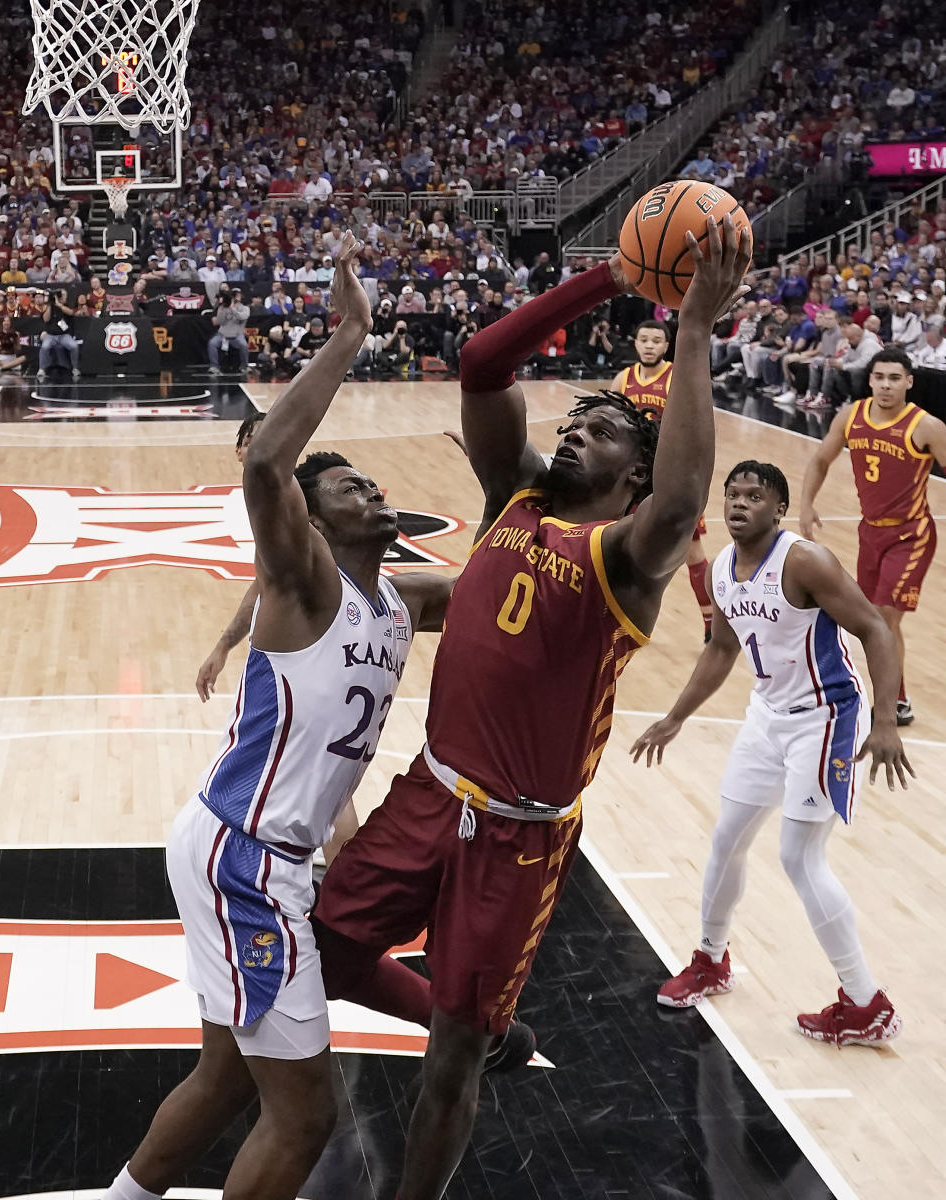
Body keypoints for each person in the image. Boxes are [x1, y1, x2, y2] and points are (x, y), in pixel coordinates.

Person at [311, 214, 752, 1200]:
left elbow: (682, 504)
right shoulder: (511, 496)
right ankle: (474, 1015)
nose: (570, 435)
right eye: (569, 424)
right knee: (325, 954)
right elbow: (479, 363)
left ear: (632, 475)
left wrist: (691, 333)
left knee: (451, 1067)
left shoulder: (630, 560)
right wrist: (611, 274)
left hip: (518, 840)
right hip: (428, 793)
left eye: (594, 433)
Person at [102, 235, 453, 1200]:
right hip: (246, 857)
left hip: (259, 851)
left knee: (224, 1078)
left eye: (374, 484)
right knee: (305, 1115)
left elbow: (526, 590)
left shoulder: (408, 597)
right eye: (348, 489)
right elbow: (266, 462)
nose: (373, 492)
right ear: (314, 523)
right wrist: (350, 334)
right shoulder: (305, 583)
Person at [632, 460, 911, 1046]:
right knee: (727, 838)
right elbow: (721, 648)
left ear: (777, 508)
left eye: (753, 496)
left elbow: (875, 630)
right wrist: (675, 716)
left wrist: (885, 721)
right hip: (767, 715)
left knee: (799, 856)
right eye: (732, 494)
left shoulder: (805, 560)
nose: (738, 504)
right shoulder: (721, 571)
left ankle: (866, 1004)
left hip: (827, 715)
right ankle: (711, 960)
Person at [194, 411, 358, 867]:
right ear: (240, 449)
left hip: (316, 641)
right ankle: (329, 875)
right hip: (319, 637)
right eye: (255, 437)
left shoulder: (291, 500)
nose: (263, 445)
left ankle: (330, 881)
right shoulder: (279, 505)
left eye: (273, 435)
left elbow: (278, 582)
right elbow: (265, 583)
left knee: (318, 769)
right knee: (318, 768)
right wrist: (225, 644)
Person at [800, 347, 946, 724]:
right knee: (867, 619)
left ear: (909, 382)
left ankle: (896, 702)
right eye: (880, 377)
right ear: (870, 380)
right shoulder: (852, 416)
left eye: (895, 378)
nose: (886, 385)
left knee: (884, 618)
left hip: (912, 536)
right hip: (870, 533)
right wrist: (806, 504)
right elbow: (820, 459)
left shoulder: (927, 426)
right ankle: (888, 692)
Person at [613, 320, 713, 641]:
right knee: (620, 545)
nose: (649, 346)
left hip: (672, 477)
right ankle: (615, 615)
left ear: (667, 346)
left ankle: (713, 621)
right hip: (634, 478)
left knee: (693, 552)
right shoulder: (623, 379)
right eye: (644, 339)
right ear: (635, 343)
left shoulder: (677, 379)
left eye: (656, 340)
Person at [36, 289, 80, 380]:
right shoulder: (49, 307)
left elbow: (71, 312)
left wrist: (59, 305)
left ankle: (75, 368)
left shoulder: (65, 306)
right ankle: (41, 369)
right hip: (51, 335)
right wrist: (50, 305)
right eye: (61, 296)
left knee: (74, 346)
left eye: (64, 296)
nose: (63, 297)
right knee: (44, 347)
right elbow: (46, 319)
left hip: (64, 335)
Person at [208, 287, 250, 375]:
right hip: (222, 335)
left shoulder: (245, 308)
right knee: (212, 343)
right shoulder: (223, 307)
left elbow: (242, 317)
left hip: (237, 335)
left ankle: (244, 366)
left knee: (244, 345)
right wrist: (222, 309)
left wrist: (232, 309)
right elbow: (220, 321)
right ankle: (214, 367)